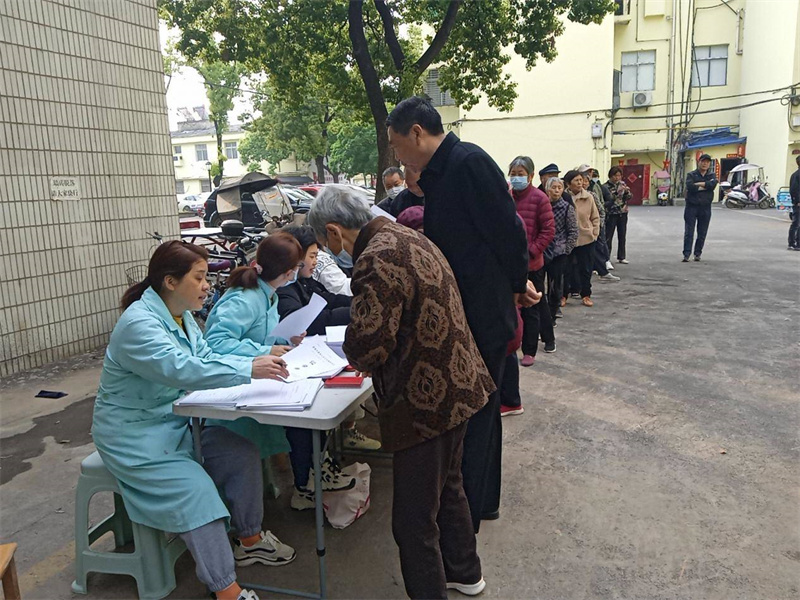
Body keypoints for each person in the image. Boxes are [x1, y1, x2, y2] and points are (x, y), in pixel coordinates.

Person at [307, 185, 495, 600]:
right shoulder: (406, 235)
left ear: (334, 231)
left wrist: (350, 346)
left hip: (425, 401)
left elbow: (369, 345)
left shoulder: (376, 257)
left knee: (412, 520)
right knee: (448, 488)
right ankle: (465, 572)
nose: (328, 251)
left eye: (325, 243)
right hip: (460, 383)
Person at [92, 240, 296, 600]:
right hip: (134, 435)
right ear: (170, 281)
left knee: (240, 452)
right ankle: (226, 589)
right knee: (196, 492)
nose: (207, 286)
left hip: (176, 420)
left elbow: (204, 356)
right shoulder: (139, 324)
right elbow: (183, 369)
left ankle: (249, 539)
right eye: (199, 278)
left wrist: (254, 362)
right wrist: (248, 369)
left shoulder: (183, 316)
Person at [386, 97, 540, 534]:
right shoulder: (439, 173)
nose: (398, 155)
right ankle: (478, 504)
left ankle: (469, 514)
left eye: (397, 144)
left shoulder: (468, 163)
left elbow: (508, 230)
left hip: (483, 311)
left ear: (417, 133)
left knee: (477, 413)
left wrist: (516, 285)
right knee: (478, 413)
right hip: (465, 307)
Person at [204, 234, 357, 511]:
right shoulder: (244, 299)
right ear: (288, 272)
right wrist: (266, 350)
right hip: (234, 383)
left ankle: (313, 474)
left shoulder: (267, 294)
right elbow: (216, 343)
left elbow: (264, 335)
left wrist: (286, 339)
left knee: (310, 407)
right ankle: (306, 482)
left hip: (259, 376)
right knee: (302, 419)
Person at [277, 225, 381, 453]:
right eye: (312, 256)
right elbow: (312, 320)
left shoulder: (304, 282)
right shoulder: (285, 290)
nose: (315, 262)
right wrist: (358, 310)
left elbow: (329, 299)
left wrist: (362, 303)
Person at [509, 156, 556, 367]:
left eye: (520, 174)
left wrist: (532, 251)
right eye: (513, 174)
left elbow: (548, 230)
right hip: (510, 263)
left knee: (531, 307)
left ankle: (529, 350)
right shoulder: (506, 197)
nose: (516, 178)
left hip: (532, 264)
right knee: (512, 305)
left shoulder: (540, 198)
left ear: (530, 176)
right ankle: (515, 341)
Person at [543, 177, 579, 321]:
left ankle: (554, 308)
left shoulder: (567, 208)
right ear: (547, 189)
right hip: (542, 249)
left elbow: (573, 231)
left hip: (559, 251)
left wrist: (566, 249)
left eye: (559, 187)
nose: (557, 190)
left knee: (556, 283)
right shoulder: (543, 206)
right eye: (554, 187)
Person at [565, 170, 600, 307]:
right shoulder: (564, 197)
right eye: (576, 180)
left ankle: (586, 294)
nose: (580, 183)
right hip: (568, 239)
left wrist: (594, 233)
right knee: (566, 268)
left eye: (581, 180)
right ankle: (563, 295)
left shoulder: (588, 197)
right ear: (568, 184)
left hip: (586, 238)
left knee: (586, 268)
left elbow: (595, 217)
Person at [579, 165, 619, 282]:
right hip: (579, 231)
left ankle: (603, 270)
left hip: (592, 228)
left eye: (586, 181)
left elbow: (600, 210)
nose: (584, 183)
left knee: (599, 248)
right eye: (582, 181)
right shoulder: (571, 196)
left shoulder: (592, 194)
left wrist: (598, 225)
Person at [683, 153, 718, 261]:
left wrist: (698, 184)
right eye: (703, 161)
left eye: (707, 162)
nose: (705, 164)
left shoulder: (711, 175)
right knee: (689, 232)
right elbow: (690, 187)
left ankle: (697, 254)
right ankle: (686, 254)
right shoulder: (691, 175)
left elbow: (712, 185)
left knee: (702, 232)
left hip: (705, 207)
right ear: (699, 162)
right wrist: (705, 186)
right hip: (691, 207)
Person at [603, 167, 632, 264]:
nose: (617, 178)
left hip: (622, 212)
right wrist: (617, 192)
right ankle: (606, 258)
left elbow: (629, 197)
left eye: (619, 175)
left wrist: (627, 192)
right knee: (608, 236)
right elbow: (609, 199)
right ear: (611, 176)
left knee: (622, 235)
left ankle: (621, 256)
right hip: (611, 213)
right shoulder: (605, 186)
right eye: (615, 175)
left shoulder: (622, 184)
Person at [788, 155, 800, 250]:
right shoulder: (796, 175)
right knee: (796, 223)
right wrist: (797, 201)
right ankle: (792, 243)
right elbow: (794, 190)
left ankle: (798, 242)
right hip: (798, 203)